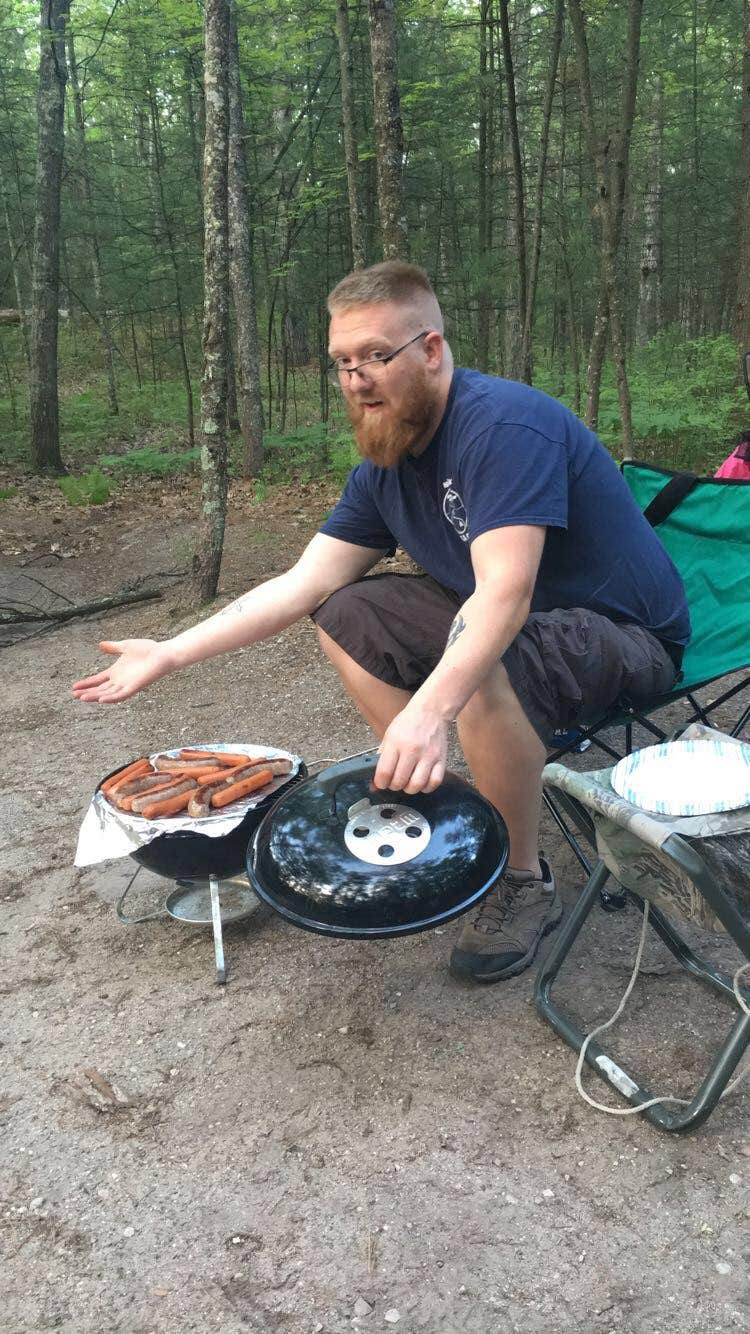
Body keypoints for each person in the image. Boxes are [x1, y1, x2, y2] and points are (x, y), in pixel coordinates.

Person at [73, 261, 690, 984]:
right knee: (346, 610)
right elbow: (305, 581)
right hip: (529, 633)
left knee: (479, 654)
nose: (356, 378)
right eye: (341, 362)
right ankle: (445, 806)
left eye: (375, 355)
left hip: (626, 637)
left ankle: (522, 881)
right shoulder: (388, 459)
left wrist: (431, 709)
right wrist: (172, 653)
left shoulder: (503, 425)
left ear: (430, 349)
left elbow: (503, 594)